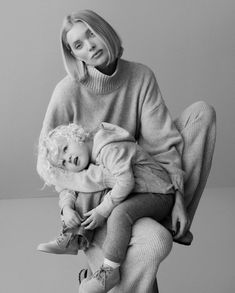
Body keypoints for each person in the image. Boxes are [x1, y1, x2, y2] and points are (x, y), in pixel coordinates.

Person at [37, 9, 216, 293]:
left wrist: (179, 198)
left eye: (91, 34)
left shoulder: (140, 76)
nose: (89, 45)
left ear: (104, 31)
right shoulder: (67, 91)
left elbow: (161, 143)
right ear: (74, 55)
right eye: (78, 45)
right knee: (156, 243)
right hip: (98, 205)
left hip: (143, 183)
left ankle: (166, 210)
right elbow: (48, 163)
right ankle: (107, 256)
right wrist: (67, 206)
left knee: (201, 115)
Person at [37, 122, 176, 292]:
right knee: (92, 191)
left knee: (119, 213)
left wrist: (102, 211)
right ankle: (73, 236)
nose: (68, 159)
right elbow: (73, 187)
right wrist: (66, 208)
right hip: (140, 193)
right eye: (64, 163)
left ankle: (109, 271)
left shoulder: (107, 148)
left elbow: (125, 182)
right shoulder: (90, 160)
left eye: (65, 149)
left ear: (77, 137)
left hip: (158, 191)